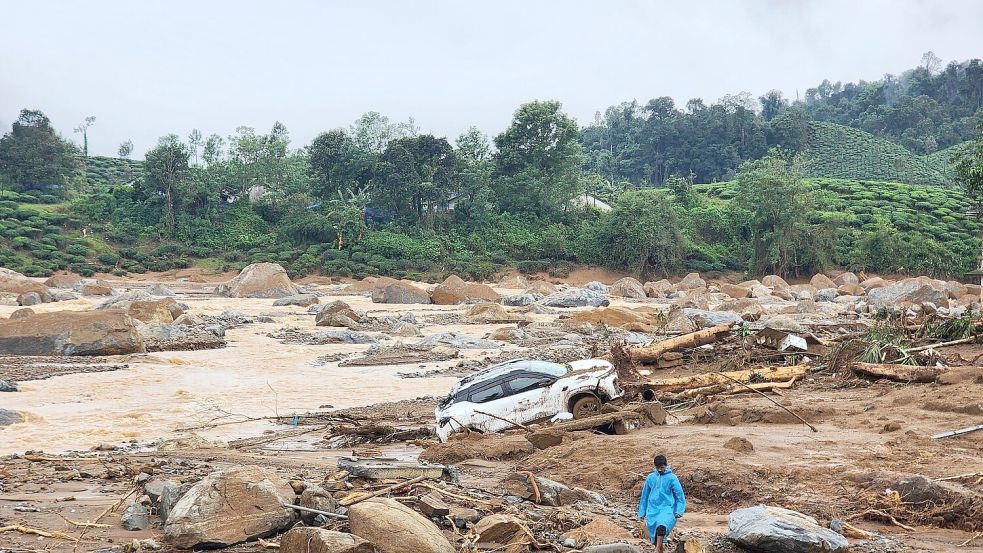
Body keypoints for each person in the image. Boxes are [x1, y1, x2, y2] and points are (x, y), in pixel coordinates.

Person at [638, 454, 686, 552]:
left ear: (666, 465)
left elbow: (679, 496)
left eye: (662, 467)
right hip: (652, 509)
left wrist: (679, 510)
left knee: (661, 526)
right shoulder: (650, 478)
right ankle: (659, 548)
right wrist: (642, 512)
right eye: (657, 468)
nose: (660, 470)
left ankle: (656, 549)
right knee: (656, 535)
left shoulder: (672, 478)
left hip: (667, 509)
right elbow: (644, 496)